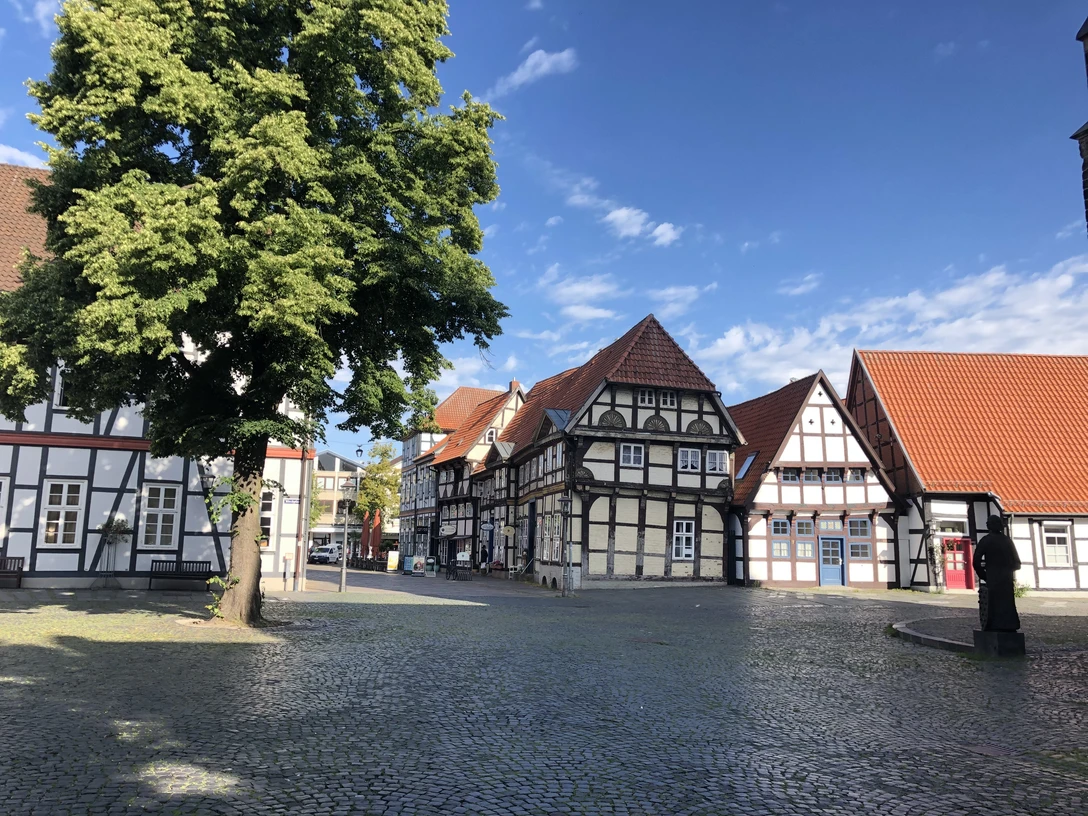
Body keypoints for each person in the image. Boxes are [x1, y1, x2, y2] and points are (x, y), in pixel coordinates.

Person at [972, 515, 1022, 632]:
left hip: (993, 578)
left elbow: (976, 561)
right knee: (1007, 603)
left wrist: (984, 575)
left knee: (993, 604)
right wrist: (1007, 570)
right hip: (1006, 579)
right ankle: (1010, 625)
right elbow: (1017, 563)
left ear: (989, 526)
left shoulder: (986, 540)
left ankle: (993, 626)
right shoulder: (1007, 541)